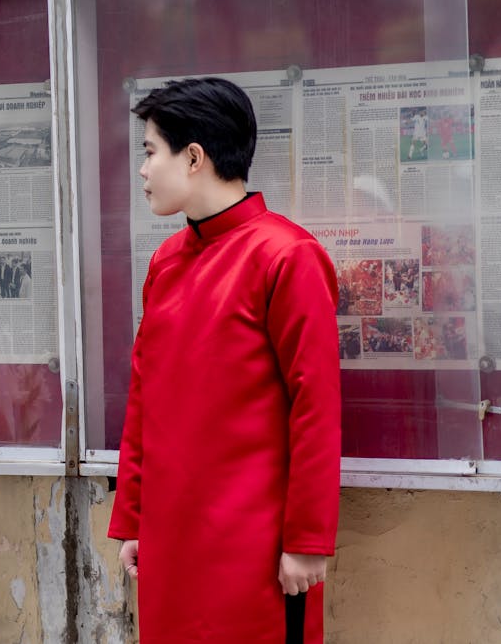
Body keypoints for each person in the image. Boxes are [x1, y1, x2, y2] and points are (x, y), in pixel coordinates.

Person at [109, 77, 341, 643]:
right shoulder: (166, 261)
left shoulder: (287, 257)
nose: (142, 170)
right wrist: (133, 518)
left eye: (149, 152)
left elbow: (317, 406)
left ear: (193, 157)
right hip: (171, 541)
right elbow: (145, 399)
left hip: (255, 549)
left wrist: (307, 540)